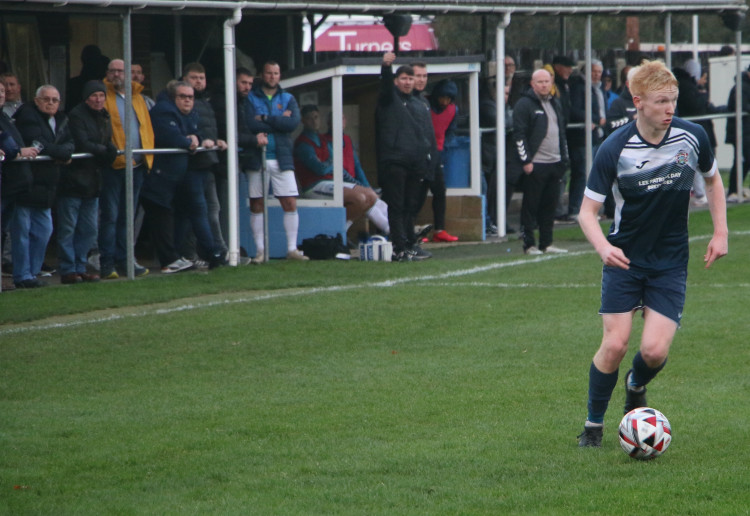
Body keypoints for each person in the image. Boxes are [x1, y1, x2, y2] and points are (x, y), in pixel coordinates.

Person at [576, 60, 728, 448]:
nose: (670, 109)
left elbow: (712, 179)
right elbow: (587, 213)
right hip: (625, 259)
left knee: (654, 350)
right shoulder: (615, 148)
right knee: (614, 344)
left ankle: (636, 384)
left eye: (673, 100)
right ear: (638, 101)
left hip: (670, 260)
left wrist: (720, 232)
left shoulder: (692, 136)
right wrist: (603, 246)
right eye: (661, 101)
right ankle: (593, 426)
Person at [11, 85, 74, 288]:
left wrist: (62, 151)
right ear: (36, 100)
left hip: (47, 186)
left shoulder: (61, 119)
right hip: (26, 185)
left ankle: (33, 272)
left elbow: (70, 143)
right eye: (46, 99)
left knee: (44, 231)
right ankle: (22, 275)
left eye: (55, 100)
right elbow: (39, 143)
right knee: (22, 234)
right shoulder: (27, 116)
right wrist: (62, 153)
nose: (50, 103)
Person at [140, 80, 205, 274]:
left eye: (190, 97)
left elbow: (197, 133)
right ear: (172, 97)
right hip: (157, 177)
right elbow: (173, 137)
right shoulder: (163, 112)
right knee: (159, 217)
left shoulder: (189, 113)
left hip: (174, 178)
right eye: (182, 97)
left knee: (178, 215)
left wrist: (194, 138)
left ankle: (174, 256)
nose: (187, 101)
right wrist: (188, 140)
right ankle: (167, 260)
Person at [246, 61, 307, 262]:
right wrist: (277, 119)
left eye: (276, 73)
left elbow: (292, 124)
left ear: (280, 75)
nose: (272, 76)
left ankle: (292, 249)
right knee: (257, 204)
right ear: (262, 75)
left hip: (282, 157)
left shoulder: (288, 98)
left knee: (289, 201)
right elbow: (249, 124)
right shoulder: (251, 97)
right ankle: (261, 251)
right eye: (269, 73)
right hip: (258, 157)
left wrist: (264, 118)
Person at [294, 105, 388, 236]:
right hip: (314, 186)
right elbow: (320, 169)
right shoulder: (302, 143)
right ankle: (336, 234)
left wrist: (362, 185)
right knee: (359, 199)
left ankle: (340, 232)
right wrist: (330, 163)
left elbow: (337, 164)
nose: (314, 121)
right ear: (303, 121)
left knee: (370, 196)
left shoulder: (323, 139)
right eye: (309, 118)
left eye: (316, 117)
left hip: (331, 182)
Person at [375, 53, 434, 262]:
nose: (408, 82)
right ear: (395, 81)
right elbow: (385, 86)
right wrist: (386, 66)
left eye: (411, 79)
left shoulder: (419, 104)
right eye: (404, 78)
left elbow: (426, 136)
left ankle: (410, 245)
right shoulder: (389, 99)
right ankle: (399, 249)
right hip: (395, 161)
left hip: (416, 163)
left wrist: (428, 160)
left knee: (411, 206)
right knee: (397, 206)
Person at [58, 80, 118, 284]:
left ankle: (80, 266)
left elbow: (104, 142)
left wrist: (109, 151)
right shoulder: (76, 115)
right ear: (86, 98)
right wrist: (105, 151)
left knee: (90, 228)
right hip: (74, 180)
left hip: (93, 181)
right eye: (94, 95)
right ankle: (68, 269)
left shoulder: (104, 116)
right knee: (69, 227)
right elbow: (83, 143)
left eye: (101, 95)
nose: (98, 99)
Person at [100, 58, 154, 279]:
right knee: (110, 216)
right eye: (112, 71)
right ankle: (107, 262)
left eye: (120, 71)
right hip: (114, 166)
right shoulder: (102, 97)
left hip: (138, 165)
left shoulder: (139, 98)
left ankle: (126, 259)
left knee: (128, 217)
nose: (116, 75)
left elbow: (146, 128)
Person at [512, 69, 568, 255]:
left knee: (549, 206)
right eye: (540, 82)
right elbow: (519, 135)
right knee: (530, 206)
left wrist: (564, 159)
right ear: (532, 84)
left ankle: (547, 243)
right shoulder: (524, 104)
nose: (544, 85)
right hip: (536, 164)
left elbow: (561, 133)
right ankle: (529, 244)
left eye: (547, 81)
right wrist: (526, 160)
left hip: (555, 163)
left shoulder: (555, 103)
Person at [178, 62, 228, 266]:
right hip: (191, 165)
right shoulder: (181, 104)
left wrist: (216, 142)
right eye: (194, 78)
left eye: (202, 78)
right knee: (194, 213)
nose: (199, 82)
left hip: (208, 163)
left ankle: (218, 250)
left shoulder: (206, 103)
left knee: (212, 210)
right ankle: (197, 254)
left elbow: (208, 130)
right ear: (184, 80)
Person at [410, 61, 457, 244]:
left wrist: (445, 148)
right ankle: (411, 228)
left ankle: (440, 229)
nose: (445, 101)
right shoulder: (423, 103)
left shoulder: (452, 110)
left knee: (440, 189)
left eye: (449, 98)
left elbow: (450, 131)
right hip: (420, 154)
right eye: (442, 97)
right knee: (419, 191)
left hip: (436, 153)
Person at [558, 59, 604, 222]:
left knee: (590, 173)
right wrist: (596, 119)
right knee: (581, 173)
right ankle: (576, 210)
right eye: (594, 71)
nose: (597, 75)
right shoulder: (579, 87)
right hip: (581, 138)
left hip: (594, 136)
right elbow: (575, 110)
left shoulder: (596, 88)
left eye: (599, 72)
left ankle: (588, 209)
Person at [674, 60, 722, 207]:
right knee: (692, 162)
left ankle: (702, 193)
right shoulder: (686, 86)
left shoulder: (687, 85)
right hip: (693, 131)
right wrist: (703, 96)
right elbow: (694, 105)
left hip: (695, 131)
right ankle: (701, 193)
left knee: (694, 163)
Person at [724, 63, 750, 203]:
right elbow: (741, 105)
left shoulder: (744, 86)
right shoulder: (740, 87)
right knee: (742, 160)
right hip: (740, 131)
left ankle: (736, 189)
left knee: (743, 161)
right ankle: (733, 190)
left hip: (745, 130)